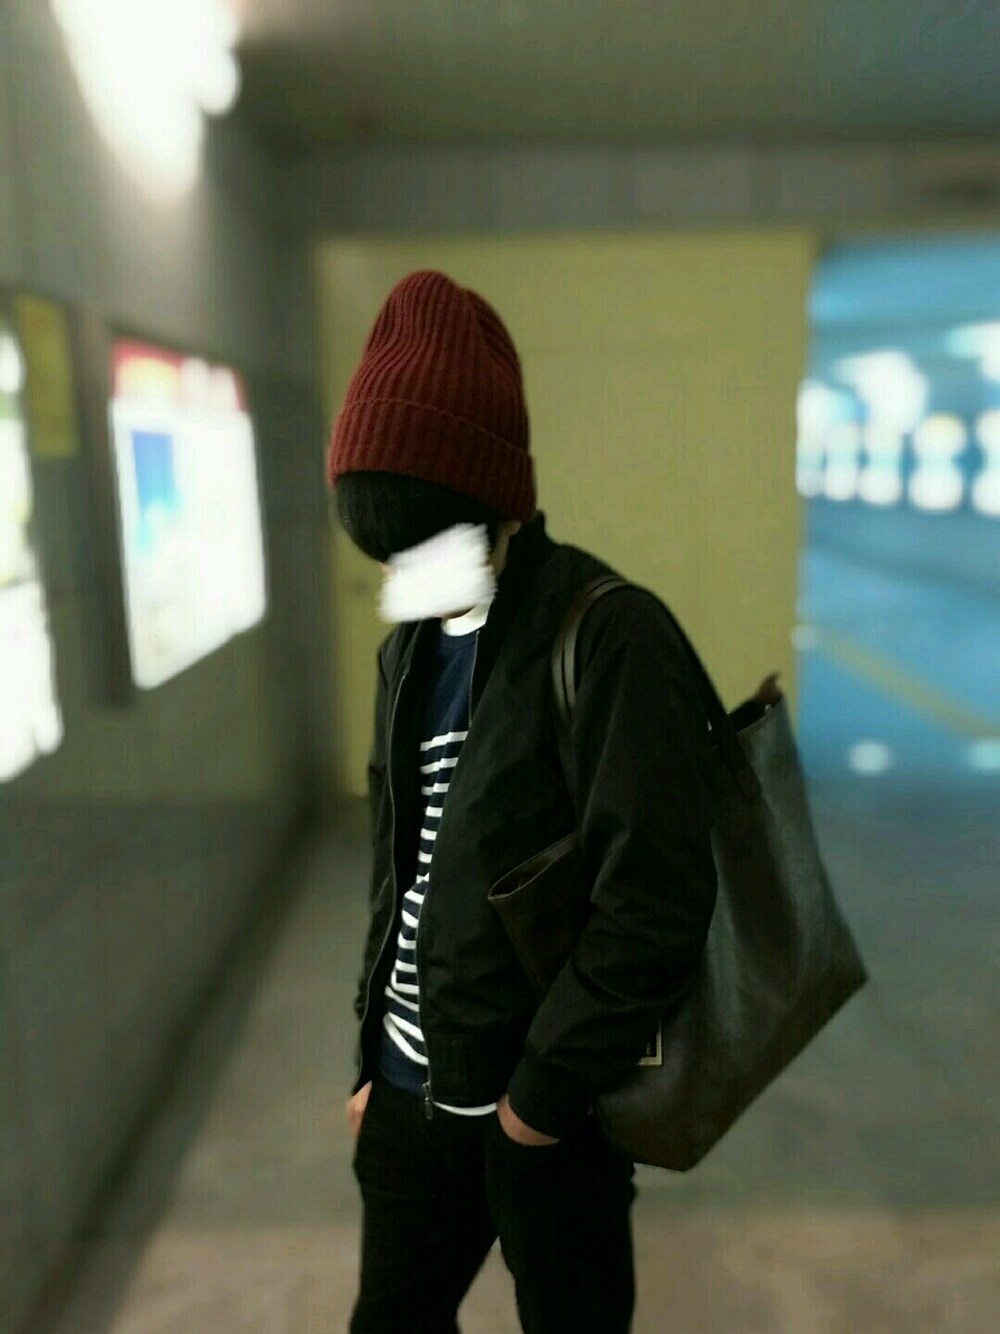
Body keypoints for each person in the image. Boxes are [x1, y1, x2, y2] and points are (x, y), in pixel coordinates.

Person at [327, 270, 718, 1334]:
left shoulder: (608, 634)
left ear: (494, 497)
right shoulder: (406, 653)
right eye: (387, 548)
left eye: (424, 538)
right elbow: (397, 867)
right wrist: (373, 1059)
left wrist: (535, 1106)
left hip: (545, 1118)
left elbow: (657, 899)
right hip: (409, 1100)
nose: (407, 571)